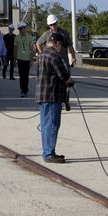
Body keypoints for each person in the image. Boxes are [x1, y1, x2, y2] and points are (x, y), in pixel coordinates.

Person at [37, 32, 70, 162]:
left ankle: (47, 151)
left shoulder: (41, 55)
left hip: (42, 95)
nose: (60, 48)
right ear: (57, 43)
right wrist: (69, 80)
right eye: (60, 45)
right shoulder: (54, 56)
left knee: (45, 125)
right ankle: (49, 153)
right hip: (53, 95)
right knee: (53, 124)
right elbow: (63, 75)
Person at [15, 21, 35, 96]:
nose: (20, 30)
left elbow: (32, 49)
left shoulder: (29, 37)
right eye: (19, 29)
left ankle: (25, 89)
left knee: (26, 75)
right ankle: (22, 90)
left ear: (25, 28)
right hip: (20, 59)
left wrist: (31, 59)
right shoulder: (17, 37)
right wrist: (14, 59)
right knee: (21, 75)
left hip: (27, 59)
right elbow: (15, 48)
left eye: (21, 28)